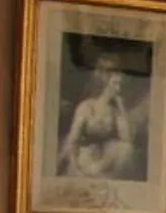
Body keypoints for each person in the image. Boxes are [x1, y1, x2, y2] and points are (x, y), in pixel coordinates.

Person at [57, 53, 146, 181]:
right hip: (85, 155)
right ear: (106, 84)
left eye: (120, 84)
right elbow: (73, 140)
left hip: (105, 157)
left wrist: (121, 106)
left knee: (127, 150)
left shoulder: (115, 111)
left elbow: (127, 140)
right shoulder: (87, 106)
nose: (119, 88)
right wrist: (77, 165)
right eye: (115, 84)